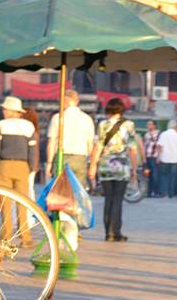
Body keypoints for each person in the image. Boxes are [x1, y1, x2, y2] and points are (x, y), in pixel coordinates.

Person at [88, 97, 137, 242]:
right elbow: (132, 148)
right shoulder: (128, 125)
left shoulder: (102, 124)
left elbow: (98, 146)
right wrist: (134, 168)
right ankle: (115, 231)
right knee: (118, 199)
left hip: (105, 165)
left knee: (108, 199)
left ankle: (107, 232)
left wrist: (93, 165)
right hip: (122, 165)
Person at [0, 96, 38, 244]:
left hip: (4, 165)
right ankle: (25, 237)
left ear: (12, 111)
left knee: (5, 203)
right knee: (22, 202)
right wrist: (32, 168)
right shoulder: (29, 126)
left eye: (5, 109)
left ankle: (6, 236)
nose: (3, 112)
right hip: (22, 166)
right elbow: (33, 150)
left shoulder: (1, 125)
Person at [45, 89, 95, 188]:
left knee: (60, 189)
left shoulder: (58, 117)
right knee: (77, 189)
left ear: (65, 100)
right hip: (80, 158)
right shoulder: (87, 119)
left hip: (62, 157)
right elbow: (90, 144)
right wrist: (92, 164)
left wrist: (49, 163)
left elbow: (52, 142)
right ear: (77, 101)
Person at [156, 119, 177, 198]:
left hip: (165, 158)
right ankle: (171, 193)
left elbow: (159, 146)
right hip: (175, 158)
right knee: (173, 176)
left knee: (164, 176)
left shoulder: (163, 134)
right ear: (175, 126)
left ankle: (164, 193)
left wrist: (158, 157)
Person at [143, 119, 161, 196]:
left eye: (150, 124)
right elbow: (145, 146)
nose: (149, 126)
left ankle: (155, 191)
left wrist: (158, 157)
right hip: (148, 156)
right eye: (148, 124)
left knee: (155, 175)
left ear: (154, 125)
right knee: (148, 175)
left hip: (154, 157)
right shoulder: (146, 134)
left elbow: (159, 146)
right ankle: (149, 192)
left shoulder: (158, 134)